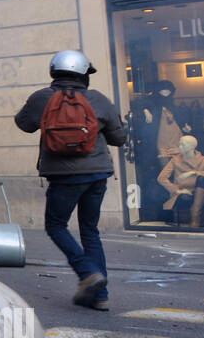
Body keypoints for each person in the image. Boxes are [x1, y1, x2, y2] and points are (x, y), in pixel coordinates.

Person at [14, 50, 128, 311]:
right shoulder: (98, 99)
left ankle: (87, 272)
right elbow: (119, 139)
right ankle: (100, 296)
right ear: (84, 75)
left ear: (54, 72)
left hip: (63, 176)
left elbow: (24, 124)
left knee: (56, 226)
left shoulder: (42, 97)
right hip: (97, 174)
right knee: (90, 231)